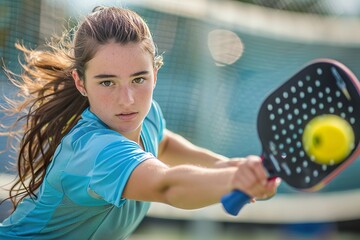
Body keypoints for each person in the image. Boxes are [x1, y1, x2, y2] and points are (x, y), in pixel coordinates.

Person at [0, 6, 279, 239]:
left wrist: (225, 166)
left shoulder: (146, 117)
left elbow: (163, 140)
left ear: (155, 75)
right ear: (80, 83)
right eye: (107, 82)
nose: (128, 100)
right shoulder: (96, 151)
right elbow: (167, 185)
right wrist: (233, 180)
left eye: (139, 79)